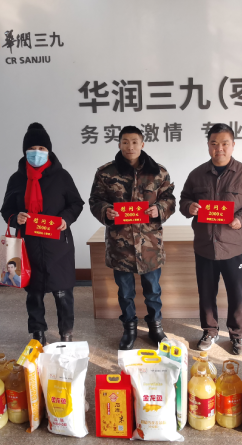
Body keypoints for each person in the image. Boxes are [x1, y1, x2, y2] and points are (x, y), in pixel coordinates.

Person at [179, 123, 242, 355]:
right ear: (208, 146)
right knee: (206, 292)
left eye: (225, 143)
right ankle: (210, 331)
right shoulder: (197, 174)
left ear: (233, 145)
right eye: (214, 144)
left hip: (234, 247)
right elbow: (184, 200)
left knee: (237, 293)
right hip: (205, 246)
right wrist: (189, 207)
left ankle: (238, 335)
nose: (219, 148)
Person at [89, 125, 175, 350]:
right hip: (121, 245)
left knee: (153, 291)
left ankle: (156, 327)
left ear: (142, 144)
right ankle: (129, 328)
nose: (130, 146)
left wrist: (159, 209)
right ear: (119, 144)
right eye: (125, 142)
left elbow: (169, 199)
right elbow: (95, 200)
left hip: (149, 244)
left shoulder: (158, 172)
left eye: (135, 142)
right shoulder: (106, 173)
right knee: (125, 292)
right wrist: (106, 210)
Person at [1, 123, 84, 345]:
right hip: (29, 247)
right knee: (34, 294)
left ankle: (66, 333)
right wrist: (15, 218)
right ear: (24, 151)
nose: (36, 152)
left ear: (48, 151)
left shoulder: (62, 176)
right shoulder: (16, 179)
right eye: (32, 148)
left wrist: (65, 219)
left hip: (58, 246)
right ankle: (38, 334)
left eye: (41, 148)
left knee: (63, 294)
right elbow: (6, 210)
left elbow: (76, 203)